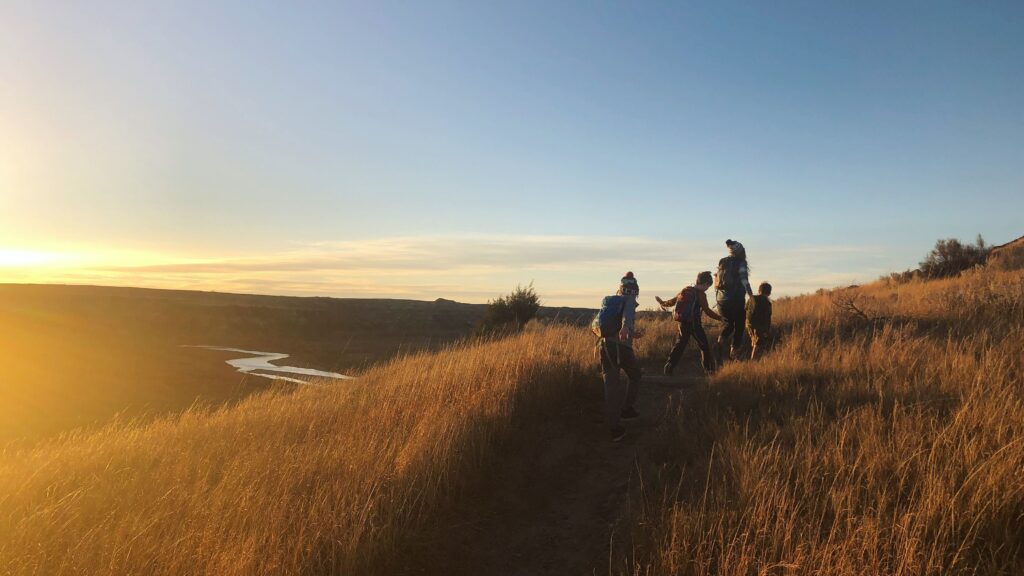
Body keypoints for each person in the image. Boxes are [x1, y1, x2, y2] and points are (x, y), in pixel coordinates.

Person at [591, 272, 642, 442]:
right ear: (634, 290)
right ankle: (624, 413)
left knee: (611, 384)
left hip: (605, 346)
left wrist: (631, 332)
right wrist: (626, 328)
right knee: (635, 375)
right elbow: (627, 316)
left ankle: (615, 425)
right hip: (621, 348)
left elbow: (600, 326)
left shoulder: (610, 301)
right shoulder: (628, 301)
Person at [655, 271, 722, 375]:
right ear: (705, 284)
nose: (707, 289)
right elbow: (708, 311)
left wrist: (661, 302)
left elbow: (671, 302)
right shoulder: (701, 294)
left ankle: (669, 367)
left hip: (682, 323)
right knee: (704, 346)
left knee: (680, 345)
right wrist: (721, 318)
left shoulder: (685, 290)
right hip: (695, 325)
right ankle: (709, 371)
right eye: (707, 286)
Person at [715, 239, 754, 361]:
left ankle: (719, 344)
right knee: (739, 325)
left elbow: (717, 281)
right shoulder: (741, 262)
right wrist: (751, 296)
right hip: (736, 299)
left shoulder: (722, 261)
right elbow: (744, 280)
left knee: (728, 324)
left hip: (721, 301)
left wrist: (718, 298)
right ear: (740, 251)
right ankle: (734, 352)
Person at [746, 281, 772, 360]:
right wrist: (766, 330)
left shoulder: (751, 298)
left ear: (759, 290)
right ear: (769, 293)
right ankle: (753, 361)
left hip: (749, 324)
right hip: (760, 326)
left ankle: (754, 361)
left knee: (754, 342)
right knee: (758, 344)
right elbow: (767, 317)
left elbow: (745, 309)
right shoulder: (767, 302)